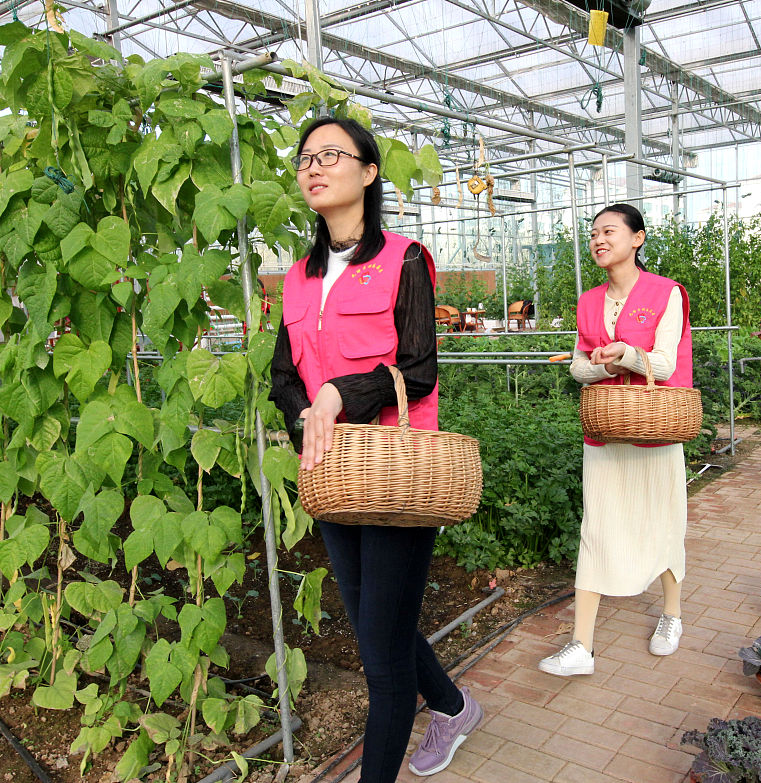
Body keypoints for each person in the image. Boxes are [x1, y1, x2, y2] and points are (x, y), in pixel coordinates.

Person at [268, 116, 482, 780]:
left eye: (331, 154)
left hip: (396, 475)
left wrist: (337, 393)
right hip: (333, 473)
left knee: (382, 661)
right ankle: (453, 706)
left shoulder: (404, 259)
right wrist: (305, 410)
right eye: (305, 157)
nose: (313, 166)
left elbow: (418, 369)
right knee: (373, 624)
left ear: (368, 171)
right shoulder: (298, 277)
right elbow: (281, 373)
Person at [538, 203, 693, 677]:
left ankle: (672, 615)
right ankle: (581, 646)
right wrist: (602, 365)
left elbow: (665, 364)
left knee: (662, 520)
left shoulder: (666, 293)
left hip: (654, 430)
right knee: (598, 527)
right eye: (593, 234)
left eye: (609, 231)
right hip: (605, 430)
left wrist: (626, 352)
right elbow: (579, 367)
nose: (598, 240)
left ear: (638, 239)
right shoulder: (589, 301)